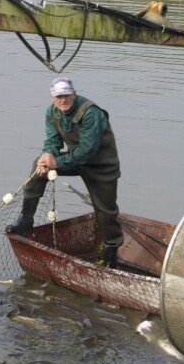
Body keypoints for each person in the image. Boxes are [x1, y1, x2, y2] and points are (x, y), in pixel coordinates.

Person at [7, 77, 123, 268]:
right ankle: (26, 220)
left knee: (106, 211)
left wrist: (57, 161)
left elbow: (86, 151)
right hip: (74, 160)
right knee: (38, 165)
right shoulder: (51, 112)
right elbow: (52, 141)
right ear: (52, 97)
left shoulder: (91, 113)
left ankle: (111, 254)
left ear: (74, 94)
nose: (63, 100)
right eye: (59, 96)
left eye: (66, 95)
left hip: (101, 166)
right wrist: (48, 157)